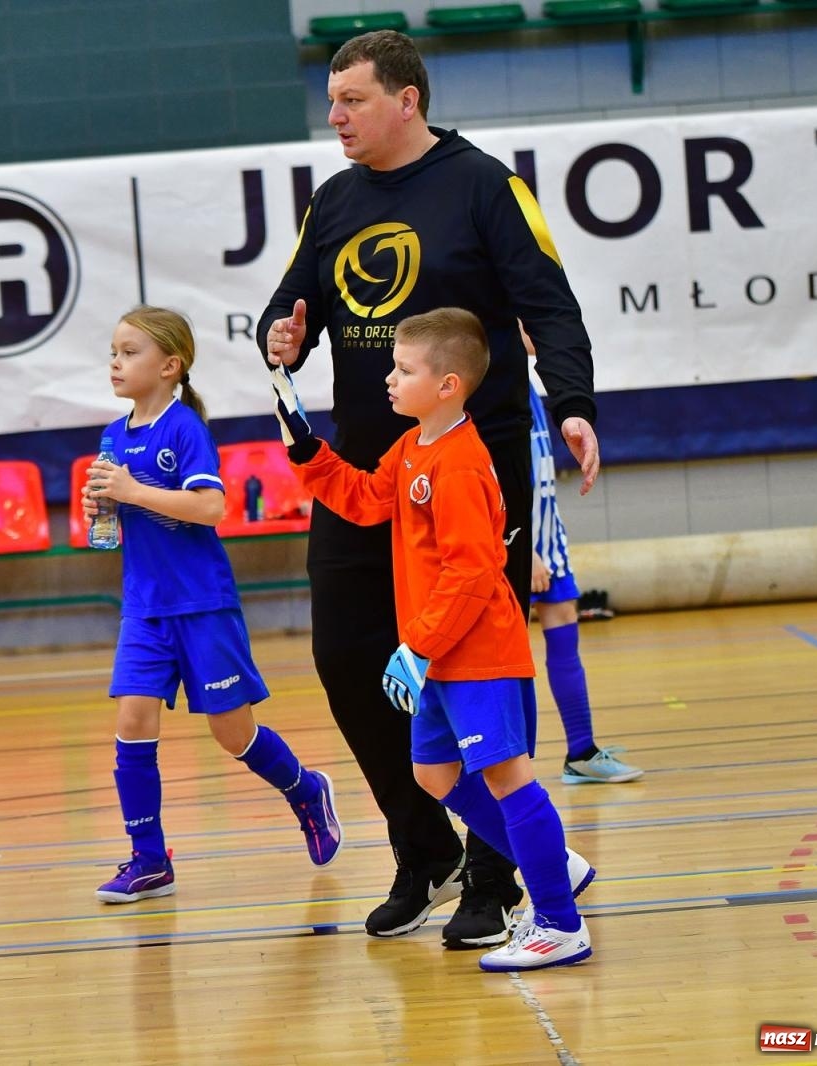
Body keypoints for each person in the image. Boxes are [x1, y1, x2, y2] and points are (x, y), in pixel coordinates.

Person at [258, 28, 600, 947]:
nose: (334, 117)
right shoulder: (331, 202)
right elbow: (291, 304)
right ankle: (426, 850)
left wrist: (570, 403)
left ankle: (501, 878)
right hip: (369, 475)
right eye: (331, 101)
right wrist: (280, 339)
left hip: (464, 469)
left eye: (352, 100)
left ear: (406, 100)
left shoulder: (487, 184)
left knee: (472, 667)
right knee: (344, 658)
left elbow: (550, 302)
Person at [279, 307, 594, 971]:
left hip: (473, 651)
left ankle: (561, 924)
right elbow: (366, 500)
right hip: (436, 652)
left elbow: (474, 570)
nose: (389, 379)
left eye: (404, 369)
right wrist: (308, 451)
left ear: (448, 384)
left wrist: (418, 647)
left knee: (506, 775)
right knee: (434, 772)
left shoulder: (459, 464)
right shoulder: (413, 446)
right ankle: (550, 858)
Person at [83, 306, 342, 902]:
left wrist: (131, 490)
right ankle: (148, 859)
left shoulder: (186, 430)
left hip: (202, 605)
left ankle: (304, 789)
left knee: (234, 735)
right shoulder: (113, 436)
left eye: (130, 352)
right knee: (132, 720)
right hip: (145, 607)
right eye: (114, 352)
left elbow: (210, 509)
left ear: (170, 366)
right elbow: (124, 511)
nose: (116, 363)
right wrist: (105, 509)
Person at [527, 385, 642, 784]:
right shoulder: (484, 382)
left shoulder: (525, 384)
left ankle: (582, 751)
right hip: (508, 540)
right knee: (496, 654)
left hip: (544, 533)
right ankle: (497, 767)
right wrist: (519, 544)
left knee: (563, 625)